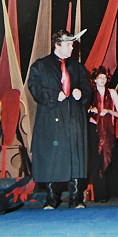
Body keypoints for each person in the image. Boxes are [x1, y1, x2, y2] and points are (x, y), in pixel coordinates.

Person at [28, 30, 90, 209]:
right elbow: (34, 87)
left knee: (75, 156)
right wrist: (53, 96)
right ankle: (51, 199)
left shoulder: (77, 67)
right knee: (52, 157)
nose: (72, 48)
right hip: (51, 116)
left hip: (73, 118)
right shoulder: (40, 66)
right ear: (57, 44)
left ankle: (76, 199)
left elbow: (87, 89)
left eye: (72, 45)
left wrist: (81, 93)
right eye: (68, 45)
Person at [87, 66, 118, 203]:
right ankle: (100, 195)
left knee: (114, 161)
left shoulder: (112, 92)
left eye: (104, 77)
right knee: (96, 162)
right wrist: (90, 110)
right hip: (95, 130)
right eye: (99, 77)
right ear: (94, 80)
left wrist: (109, 111)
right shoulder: (90, 93)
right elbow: (83, 111)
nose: (102, 80)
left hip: (108, 131)